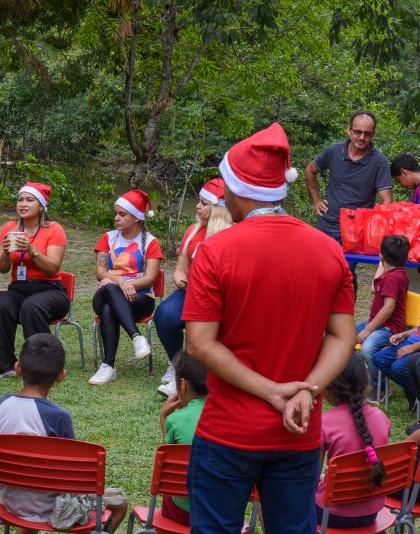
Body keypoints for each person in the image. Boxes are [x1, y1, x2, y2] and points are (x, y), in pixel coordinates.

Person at [183, 123, 355, 532]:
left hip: (229, 429)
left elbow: (200, 344)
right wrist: (306, 390)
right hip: (298, 431)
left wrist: (272, 392)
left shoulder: (215, 251)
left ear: (233, 189)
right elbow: (344, 336)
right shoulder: (329, 250)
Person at [0, 333, 128, 533]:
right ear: (61, 375)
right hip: (54, 508)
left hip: (11, 504)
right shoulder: (58, 417)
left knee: (34, 489)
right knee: (119, 503)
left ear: (17, 368)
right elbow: (71, 471)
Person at [153, 178, 232, 396]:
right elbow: (180, 269)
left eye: (204, 203)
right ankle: (177, 364)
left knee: (203, 324)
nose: (197, 206)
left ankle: (194, 373)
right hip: (190, 291)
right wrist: (181, 280)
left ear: (218, 209)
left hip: (219, 297)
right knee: (165, 314)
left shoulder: (231, 235)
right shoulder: (192, 231)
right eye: (198, 201)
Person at [0, 182, 69, 379]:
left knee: (31, 307)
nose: (23, 204)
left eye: (29, 200)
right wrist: (5, 252)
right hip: (19, 288)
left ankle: (42, 366)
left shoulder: (54, 229)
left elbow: (52, 268)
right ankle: (4, 364)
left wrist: (31, 250)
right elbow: (3, 269)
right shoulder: (9, 228)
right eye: (20, 199)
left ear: (41, 206)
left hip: (51, 289)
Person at [304, 111, 392, 290]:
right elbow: (310, 171)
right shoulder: (334, 151)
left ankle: (345, 316)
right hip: (327, 225)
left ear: (373, 135)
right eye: (357, 132)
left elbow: (386, 201)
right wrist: (316, 200)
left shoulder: (379, 161)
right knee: (318, 273)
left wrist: (376, 228)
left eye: (367, 134)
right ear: (349, 130)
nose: (361, 137)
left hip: (354, 232)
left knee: (345, 277)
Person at [88, 190, 162, 385]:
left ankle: (108, 366)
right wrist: (121, 282)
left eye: (122, 214)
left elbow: (150, 278)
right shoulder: (108, 238)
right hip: (106, 293)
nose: (116, 218)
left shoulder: (151, 242)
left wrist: (125, 284)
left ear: (137, 218)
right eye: (116, 213)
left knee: (108, 308)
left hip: (140, 299)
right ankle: (136, 337)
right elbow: (100, 273)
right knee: (110, 293)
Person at [315, 353, 390, 528]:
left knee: (271, 501)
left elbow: (310, 476)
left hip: (330, 514)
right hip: (372, 513)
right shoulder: (381, 417)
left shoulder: (324, 423)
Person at [157, 350, 207, 526]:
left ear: (182, 385)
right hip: (225, 512)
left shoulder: (175, 419)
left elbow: (169, 467)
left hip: (183, 512)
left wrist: (164, 417)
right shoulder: (230, 417)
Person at [356, 235, 409, 386]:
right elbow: (374, 289)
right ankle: (354, 377)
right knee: (345, 337)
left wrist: (367, 330)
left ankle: (380, 387)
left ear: (381, 255)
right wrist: (382, 263)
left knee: (368, 348)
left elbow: (388, 309)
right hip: (376, 323)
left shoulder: (393, 278)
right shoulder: (394, 273)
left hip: (389, 328)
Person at [371, 320, 420, 409]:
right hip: (410, 341)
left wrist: (413, 347)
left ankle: (414, 392)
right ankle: (412, 390)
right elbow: (418, 329)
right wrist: (403, 335)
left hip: (416, 347)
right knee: (379, 359)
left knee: (398, 368)